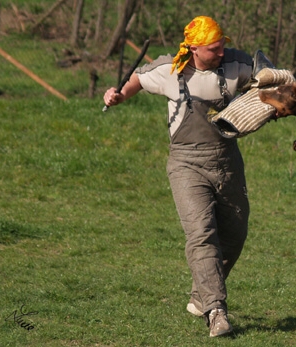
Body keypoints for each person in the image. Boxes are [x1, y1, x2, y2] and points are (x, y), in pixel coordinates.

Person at [103, 16, 253, 337]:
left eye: (223, 44)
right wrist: (117, 95)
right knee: (201, 234)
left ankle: (202, 295)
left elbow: (268, 78)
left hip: (228, 163)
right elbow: (138, 80)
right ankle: (216, 311)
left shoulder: (237, 64)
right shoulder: (171, 71)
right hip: (186, 164)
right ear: (195, 49)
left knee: (234, 236)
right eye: (214, 49)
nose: (221, 52)